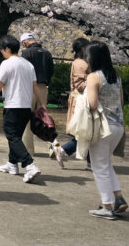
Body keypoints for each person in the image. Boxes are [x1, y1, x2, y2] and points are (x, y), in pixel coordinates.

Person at [0, 35, 44, 183]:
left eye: (2, 50)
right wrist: (41, 103)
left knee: (12, 136)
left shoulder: (7, 64)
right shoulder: (28, 65)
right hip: (26, 106)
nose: (1, 52)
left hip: (13, 105)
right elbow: (35, 85)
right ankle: (12, 164)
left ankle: (29, 165)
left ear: (7, 49)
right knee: (15, 135)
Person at [83, 41, 128, 219]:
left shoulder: (94, 76)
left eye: (87, 55)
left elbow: (92, 104)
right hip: (118, 126)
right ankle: (118, 199)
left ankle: (106, 206)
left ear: (93, 57)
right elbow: (121, 101)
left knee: (99, 167)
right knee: (105, 164)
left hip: (102, 128)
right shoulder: (116, 76)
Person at [53, 37, 90, 167]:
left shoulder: (82, 62)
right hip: (81, 101)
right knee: (85, 131)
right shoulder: (80, 63)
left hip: (83, 100)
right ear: (83, 48)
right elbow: (79, 84)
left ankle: (91, 161)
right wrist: (96, 80)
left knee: (87, 131)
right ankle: (62, 150)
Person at [20, 32, 54, 155]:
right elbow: (51, 70)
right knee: (44, 118)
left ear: (25, 42)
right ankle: (54, 146)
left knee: (26, 118)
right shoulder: (47, 53)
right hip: (43, 87)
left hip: (29, 87)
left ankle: (28, 150)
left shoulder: (26, 53)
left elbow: (23, 71)